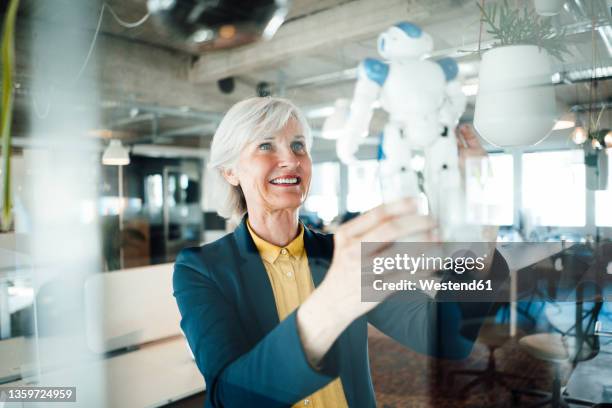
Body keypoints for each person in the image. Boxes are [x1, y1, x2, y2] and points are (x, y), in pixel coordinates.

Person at [173, 97, 508, 407]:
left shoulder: (343, 255)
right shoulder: (202, 269)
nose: (290, 159)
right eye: (265, 145)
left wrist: (477, 212)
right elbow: (228, 398)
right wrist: (332, 303)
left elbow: (446, 337)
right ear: (230, 171)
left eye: (298, 145)